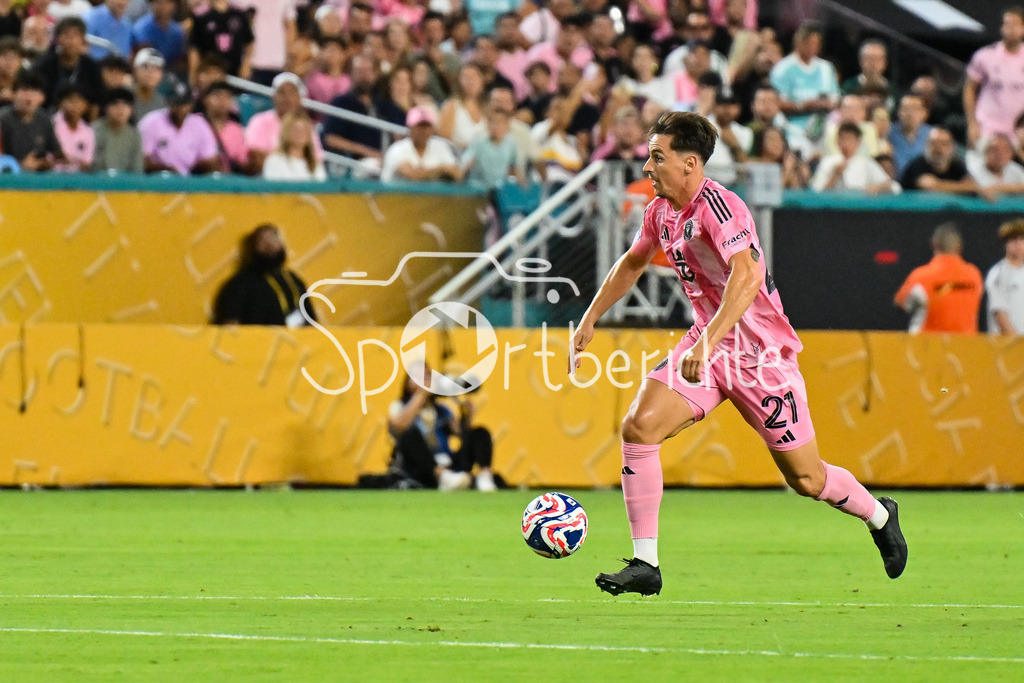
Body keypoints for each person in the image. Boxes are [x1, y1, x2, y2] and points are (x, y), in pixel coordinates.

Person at [572, 111, 907, 597]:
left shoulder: (722, 208)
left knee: (808, 479)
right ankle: (646, 562)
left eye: (657, 157)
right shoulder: (660, 211)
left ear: (690, 163)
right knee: (639, 428)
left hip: (761, 357)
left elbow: (746, 277)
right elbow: (634, 261)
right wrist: (590, 318)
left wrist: (708, 342)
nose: (648, 167)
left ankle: (879, 515)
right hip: (706, 345)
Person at [382, 371, 496, 491]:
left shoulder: (440, 410)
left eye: (427, 377)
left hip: (447, 462)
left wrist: (467, 415)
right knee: (409, 433)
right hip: (420, 468)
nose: (425, 381)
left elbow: (461, 433)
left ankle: (484, 476)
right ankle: (441, 476)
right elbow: (398, 427)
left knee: (480, 433)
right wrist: (421, 396)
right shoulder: (399, 406)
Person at [212, 223, 317, 327]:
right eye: (262, 241)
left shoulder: (293, 280)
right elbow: (230, 327)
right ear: (253, 247)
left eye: (274, 239)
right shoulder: (239, 284)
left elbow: (311, 322)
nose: (269, 245)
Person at [894, 224, 983, 334]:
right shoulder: (974, 275)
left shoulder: (920, 276)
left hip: (927, 345)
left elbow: (901, 303)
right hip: (965, 346)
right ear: (959, 247)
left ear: (933, 244)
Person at [964, 6, 1024, 147]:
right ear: (1002, 27)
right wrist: (972, 124)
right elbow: (969, 89)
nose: (1011, 29)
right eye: (1007, 24)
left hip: (1016, 129)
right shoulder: (985, 55)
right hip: (986, 125)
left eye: (1015, 24)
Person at [769, 20, 838, 137]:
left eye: (816, 43)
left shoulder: (826, 67)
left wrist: (825, 104)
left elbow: (835, 98)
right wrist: (803, 105)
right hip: (793, 127)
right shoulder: (783, 68)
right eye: (808, 43)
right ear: (798, 42)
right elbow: (775, 103)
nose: (812, 47)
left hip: (823, 126)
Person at [138, 82, 220, 175]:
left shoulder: (199, 124)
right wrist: (167, 169)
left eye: (185, 103)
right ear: (169, 102)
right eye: (177, 103)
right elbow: (141, 160)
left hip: (189, 182)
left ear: (191, 104)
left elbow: (211, 160)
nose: (181, 108)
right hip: (157, 181)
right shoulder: (151, 121)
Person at [810, 121, 899, 194]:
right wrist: (835, 175)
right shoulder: (827, 162)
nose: (845, 143)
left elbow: (893, 186)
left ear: (858, 142)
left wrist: (878, 187)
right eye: (842, 138)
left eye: (849, 139)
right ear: (837, 141)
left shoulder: (866, 163)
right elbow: (817, 193)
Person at [380, 105, 462, 182]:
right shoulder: (397, 149)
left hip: (432, 196)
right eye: (419, 126)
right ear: (410, 128)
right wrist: (441, 169)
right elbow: (412, 175)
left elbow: (457, 174)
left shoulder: (440, 146)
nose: (424, 130)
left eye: (427, 126)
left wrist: (425, 172)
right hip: (395, 196)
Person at [0, 72, 63, 171]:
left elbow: (56, 153)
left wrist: (49, 161)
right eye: (24, 90)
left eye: (34, 91)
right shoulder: (3, 119)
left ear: (42, 97)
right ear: (13, 94)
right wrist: (21, 165)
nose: (29, 96)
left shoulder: (44, 119)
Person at [900, 127, 978, 195]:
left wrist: (967, 187)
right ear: (926, 145)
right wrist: (962, 186)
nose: (938, 149)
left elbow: (972, 185)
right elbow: (932, 187)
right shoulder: (918, 164)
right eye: (934, 143)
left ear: (952, 148)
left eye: (944, 144)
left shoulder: (957, 165)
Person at [262, 112, 328, 181]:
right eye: (295, 129)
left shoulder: (315, 164)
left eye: (304, 130)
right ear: (286, 132)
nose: (300, 133)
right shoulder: (274, 161)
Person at [92, 86, 144, 172]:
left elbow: (137, 168)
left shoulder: (134, 135)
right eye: (115, 104)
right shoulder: (93, 131)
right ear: (106, 108)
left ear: (131, 109)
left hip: (126, 183)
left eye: (125, 105)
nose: (120, 109)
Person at [985, 219, 1024, 334]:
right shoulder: (997, 274)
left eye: (1021, 239)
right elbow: (1000, 314)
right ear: (1005, 244)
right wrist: (1018, 344)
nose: (1018, 244)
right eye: (1013, 240)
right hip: (1005, 347)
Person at [131, 0, 186, 71]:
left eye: (167, 2)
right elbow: (144, 60)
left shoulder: (177, 32)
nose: (163, 6)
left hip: (169, 75)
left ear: (175, 5)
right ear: (151, 4)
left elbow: (179, 60)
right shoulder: (141, 28)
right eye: (158, 2)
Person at [967, 133, 1024, 200]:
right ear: (986, 152)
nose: (1000, 154)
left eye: (1005, 150)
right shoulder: (973, 171)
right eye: (995, 150)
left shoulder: (1016, 169)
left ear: (1011, 154)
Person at [888, 94, 932, 179]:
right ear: (899, 112)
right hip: (896, 185)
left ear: (924, 113)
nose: (910, 113)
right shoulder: (888, 133)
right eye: (906, 109)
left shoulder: (933, 135)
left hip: (925, 186)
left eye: (915, 109)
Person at [52, 83, 93, 171]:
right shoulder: (51, 124)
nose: (75, 105)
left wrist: (71, 161)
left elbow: (87, 164)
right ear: (60, 103)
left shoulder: (88, 132)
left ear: (86, 105)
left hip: (78, 180)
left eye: (79, 101)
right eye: (71, 100)